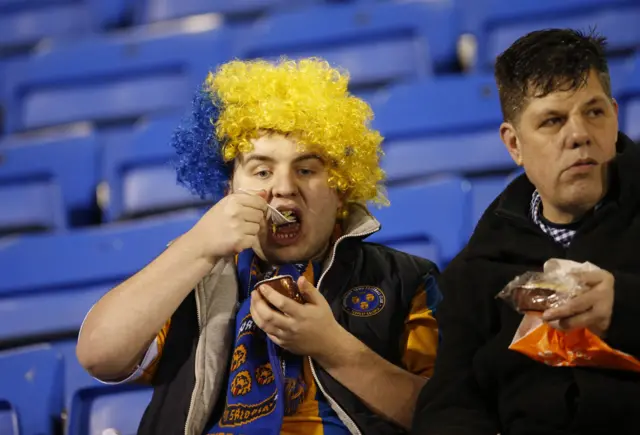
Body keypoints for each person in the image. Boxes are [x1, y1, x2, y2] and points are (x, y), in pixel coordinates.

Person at [77, 57, 442, 435]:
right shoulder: (189, 277)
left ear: (341, 191)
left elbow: (451, 420)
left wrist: (332, 348)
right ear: (229, 192)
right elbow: (98, 356)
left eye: (306, 170)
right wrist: (198, 247)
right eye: (262, 170)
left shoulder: (405, 279)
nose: (283, 188)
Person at [412, 29, 640, 435]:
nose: (579, 134)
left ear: (615, 116)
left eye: (594, 112)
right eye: (553, 121)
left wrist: (623, 308)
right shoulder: (476, 270)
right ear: (514, 144)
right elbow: (448, 405)